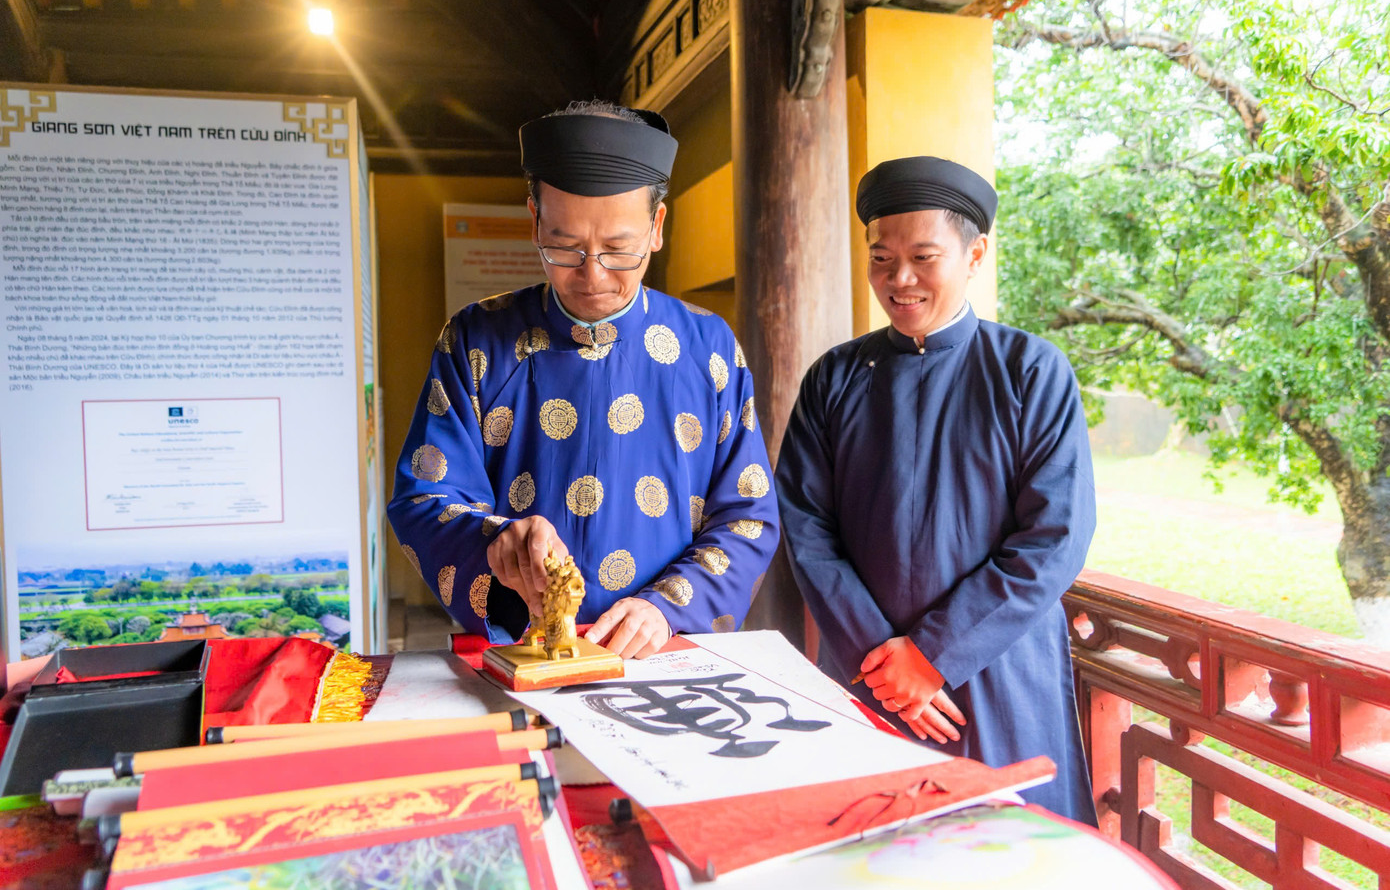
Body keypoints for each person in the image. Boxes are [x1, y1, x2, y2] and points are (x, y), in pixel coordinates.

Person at [388, 101, 779, 660]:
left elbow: (748, 515)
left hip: (660, 655)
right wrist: (496, 541)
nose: (591, 275)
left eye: (618, 250)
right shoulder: (476, 340)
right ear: (534, 222)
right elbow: (424, 496)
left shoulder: (708, 347)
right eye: (565, 247)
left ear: (657, 227)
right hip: (526, 654)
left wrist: (666, 608)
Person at [774, 155, 1097, 823]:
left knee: (1007, 846)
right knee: (867, 844)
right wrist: (883, 661)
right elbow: (805, 526)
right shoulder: (834, 378)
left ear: (975, 254)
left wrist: (932, 656)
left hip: (998, 669)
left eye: (923, 257)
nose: (900, 279)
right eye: (881, 258)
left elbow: (1055, 536)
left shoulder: (1031, 372)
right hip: (866, 673)